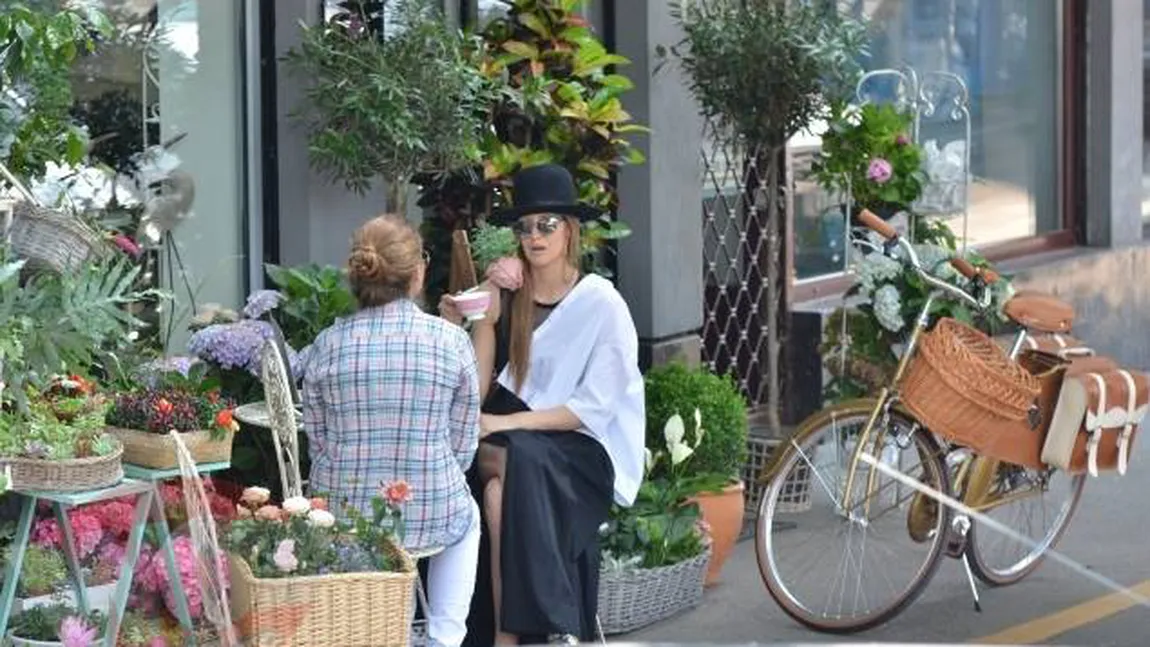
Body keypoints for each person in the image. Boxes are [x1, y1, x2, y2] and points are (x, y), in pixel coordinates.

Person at [439, 164, 645, 645]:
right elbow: (478, 385)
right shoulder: (512, 292)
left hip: (582, 448)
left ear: (569, 231)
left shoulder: (602, 303)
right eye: (525, 227)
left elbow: (588, 411)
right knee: (494, 492)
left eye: (547, 225)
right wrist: (482, 318)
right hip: (516, 438)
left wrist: (497, 424)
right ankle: (514, 636)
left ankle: (511, 637)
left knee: (513, 464)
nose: (535, 237)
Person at [303, 214, 482, 647]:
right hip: (431, 505)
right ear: (417, 274)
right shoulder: (451, 340)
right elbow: (463, 444)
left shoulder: (328, 343)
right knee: (467, 516)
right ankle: (443, 636)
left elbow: (319, 442)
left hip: (349, 518)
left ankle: (388, 631)